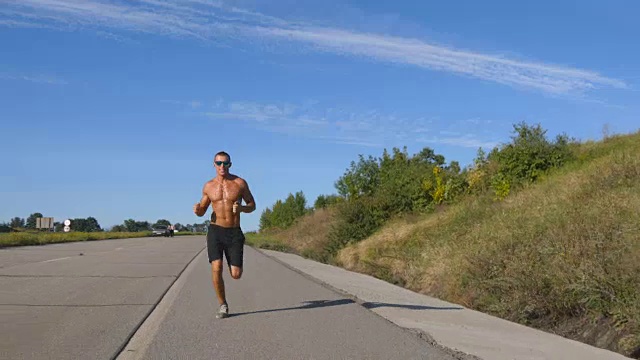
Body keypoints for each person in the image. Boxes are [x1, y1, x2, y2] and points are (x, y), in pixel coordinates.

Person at [193, 151, 256, 318]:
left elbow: (252, 205)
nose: (222, 166)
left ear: (230, 164)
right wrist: (198, 211)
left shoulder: (239, 183)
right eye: (219, 163)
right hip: (215, 230)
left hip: (234, 232)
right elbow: (202, 210)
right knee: (217, 267)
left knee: (236, 274)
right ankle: (223, 305)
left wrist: (242, 208)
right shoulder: (208, 186)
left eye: (225, 163)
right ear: (213, 164)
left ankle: (233, 264)